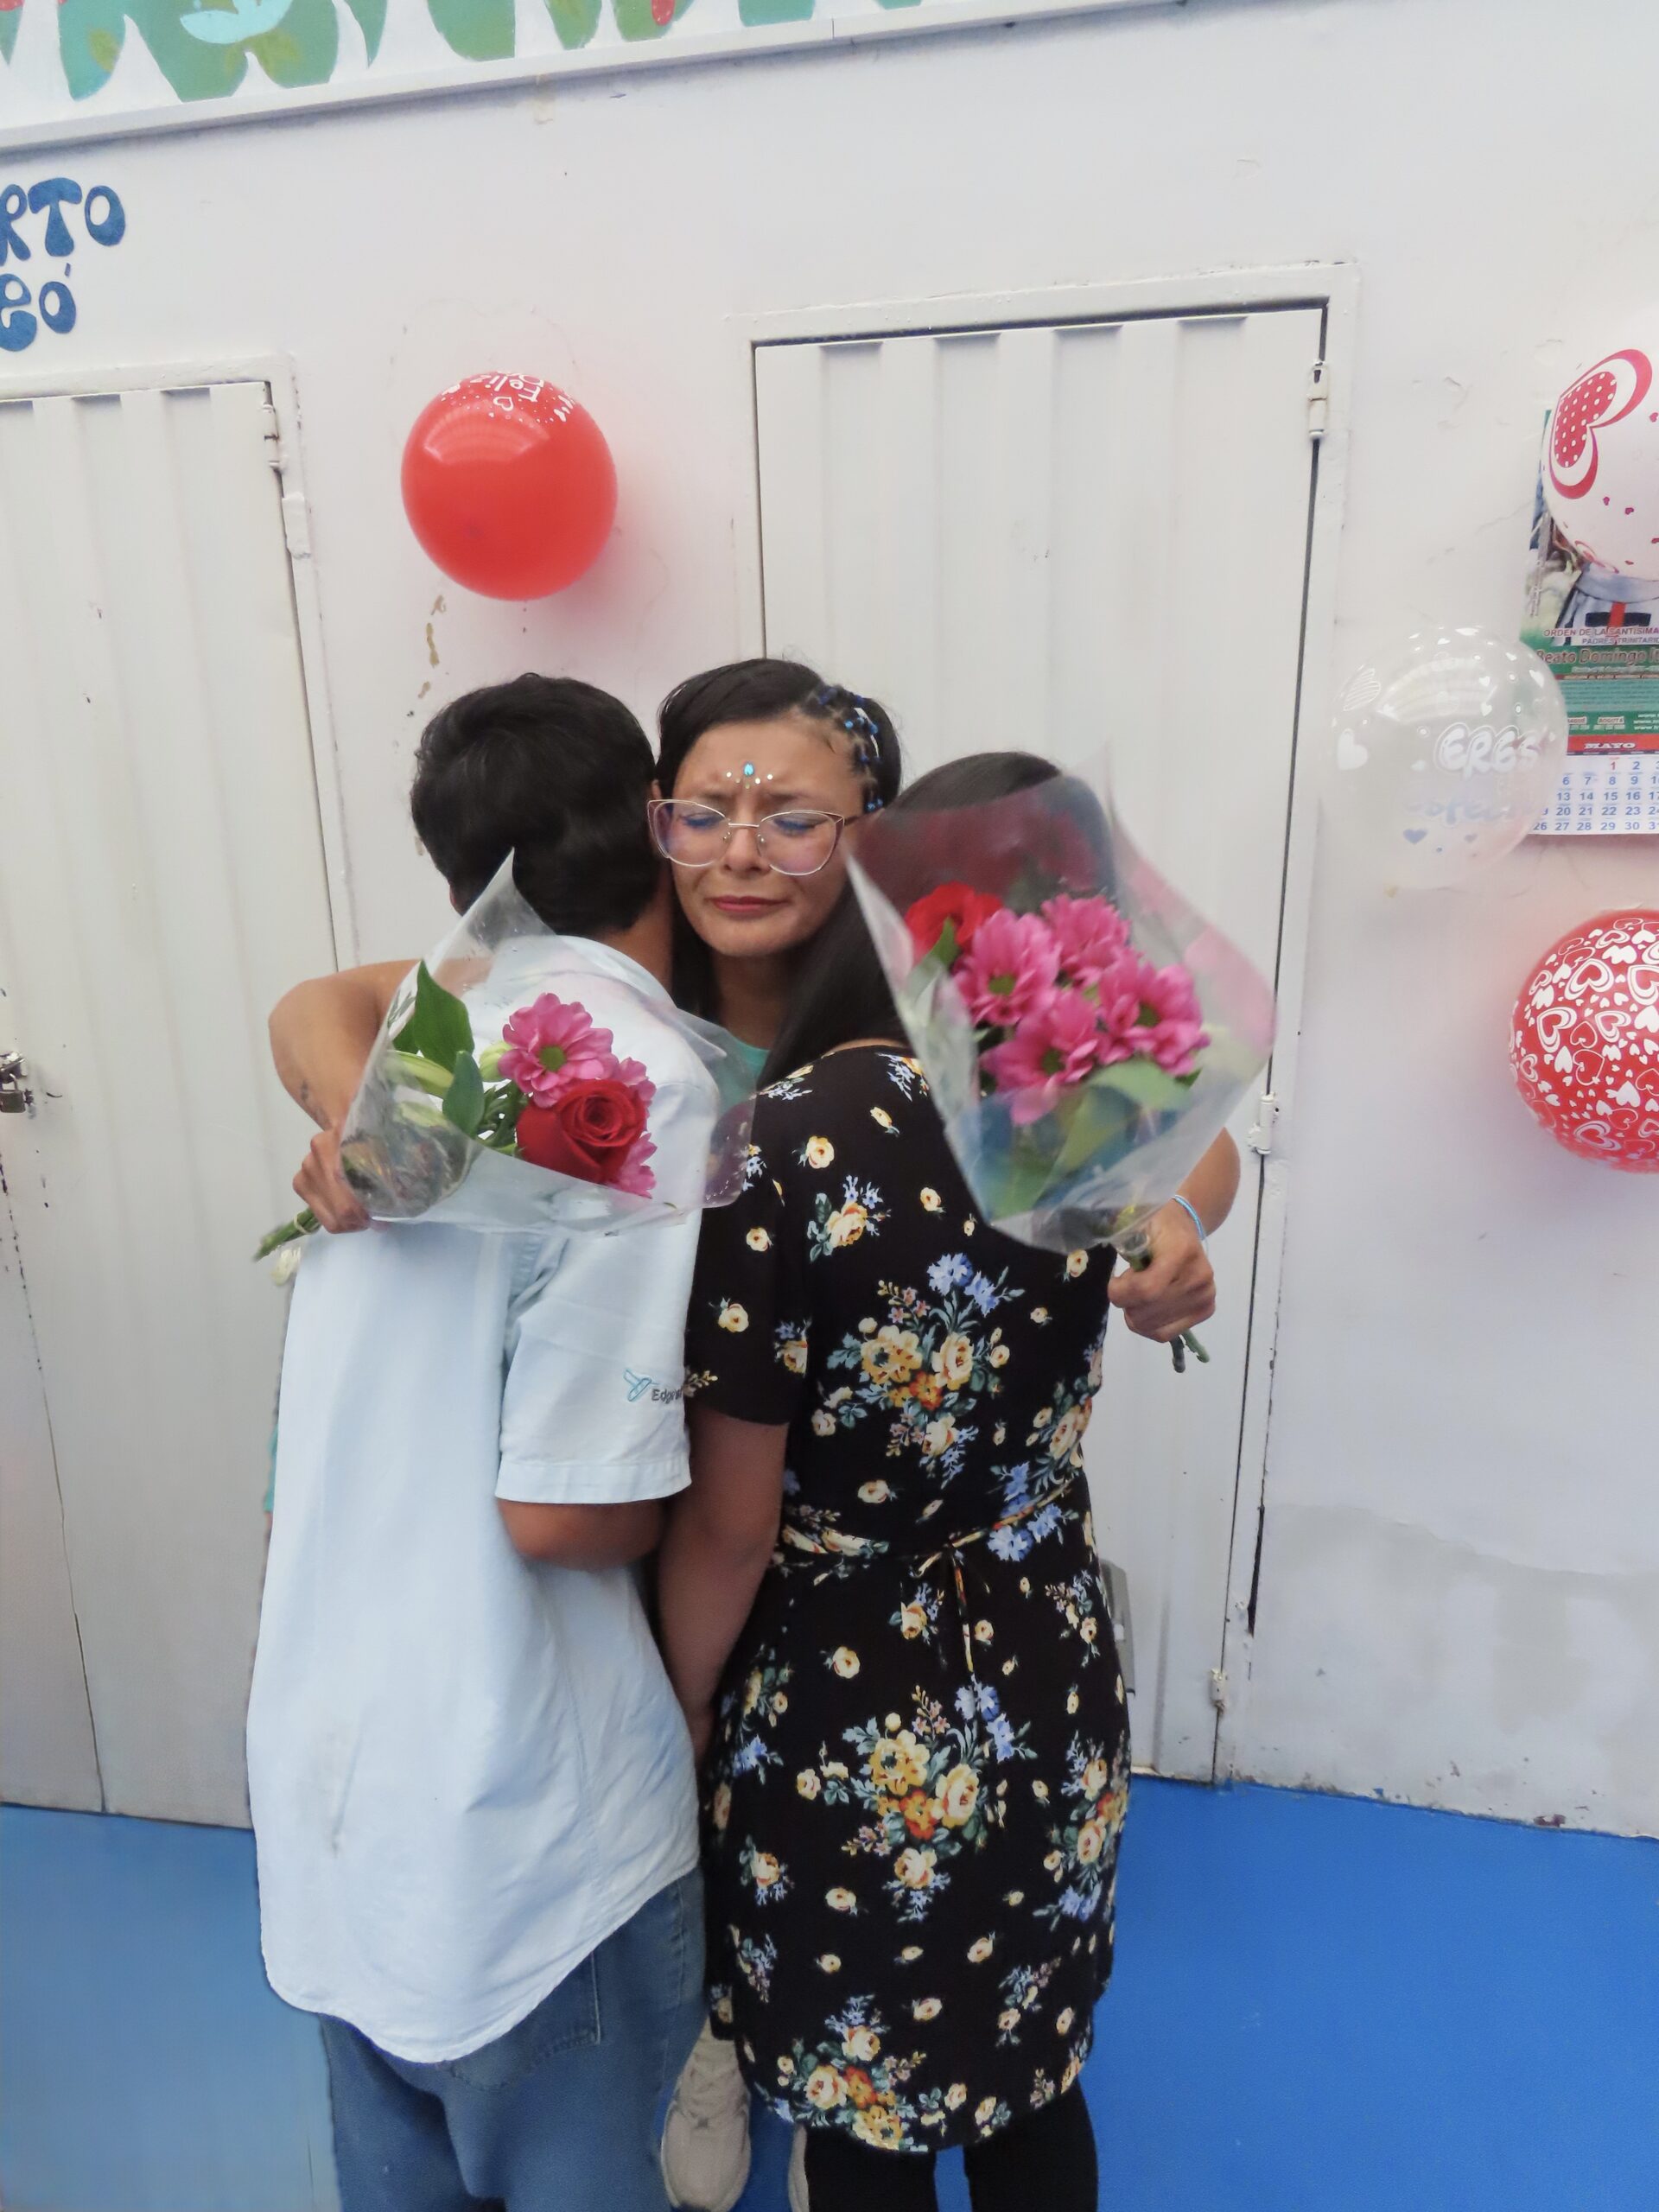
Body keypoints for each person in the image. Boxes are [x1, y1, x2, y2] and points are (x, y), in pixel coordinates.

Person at [655, 752, 1241, 2212]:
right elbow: (1208, 1164)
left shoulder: (782, 1148)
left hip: (844, 1687)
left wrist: (672, 1701)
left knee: (865, 2100)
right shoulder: (1085, 1116)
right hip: (1044, 1654)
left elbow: (731, 1528)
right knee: (1034, 2076)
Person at [246, 675, 711, 2212]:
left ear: (463, 876)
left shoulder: (426, 1048)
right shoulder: (639, 1083)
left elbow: (312, 1006)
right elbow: (562, 1516)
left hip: (337, 1777)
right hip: (521, 1816)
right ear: (658, 825)